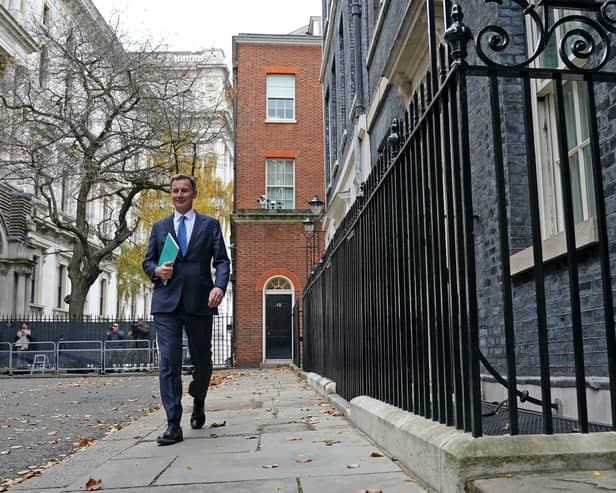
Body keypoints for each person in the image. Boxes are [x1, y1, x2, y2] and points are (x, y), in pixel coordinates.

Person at [142, 174, 230, 446]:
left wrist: (219, 287)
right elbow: (148, 261)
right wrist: (156, 270)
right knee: (169, 361)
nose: (179, 195)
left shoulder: (209, 225)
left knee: (202, 360)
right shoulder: (159, 227)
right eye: (174, 191)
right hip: (166, 303)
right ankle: (172, 424)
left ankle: (199, 398)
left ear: (193, 194)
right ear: (171, 194)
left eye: (184, 190)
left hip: (200, 301)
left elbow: (223, 261)